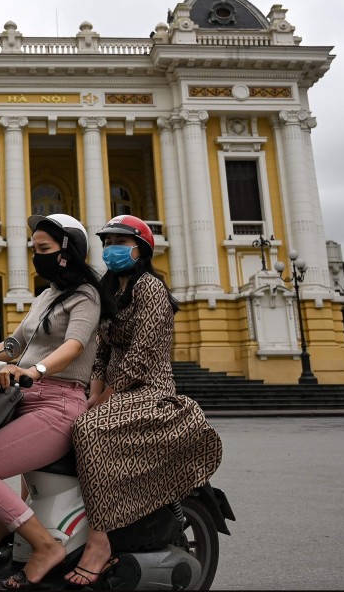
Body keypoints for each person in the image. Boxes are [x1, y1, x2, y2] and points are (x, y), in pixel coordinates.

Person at [0, 213, 113, 589]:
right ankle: (1, 520)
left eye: (43, 249)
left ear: (66, 253)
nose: (35, 255)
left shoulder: (86, 296)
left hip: (58, 404)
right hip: (22, 399)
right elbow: (16, 344)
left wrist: (37, 370)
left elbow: (74, 344)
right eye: (34, 248)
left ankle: (45, 547)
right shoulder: (46, 296)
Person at [65, 215, 224, 587]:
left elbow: (142, 352)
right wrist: (91, 394)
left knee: (91, 430)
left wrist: (104, 399)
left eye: (121, 242)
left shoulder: (150, 287)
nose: (111, 249)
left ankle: (101, 540)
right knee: (64, 421)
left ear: (141, 248)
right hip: (114, 388)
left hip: (150, 389)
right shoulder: (110, 292)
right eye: (107, 242)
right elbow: (102, 351)